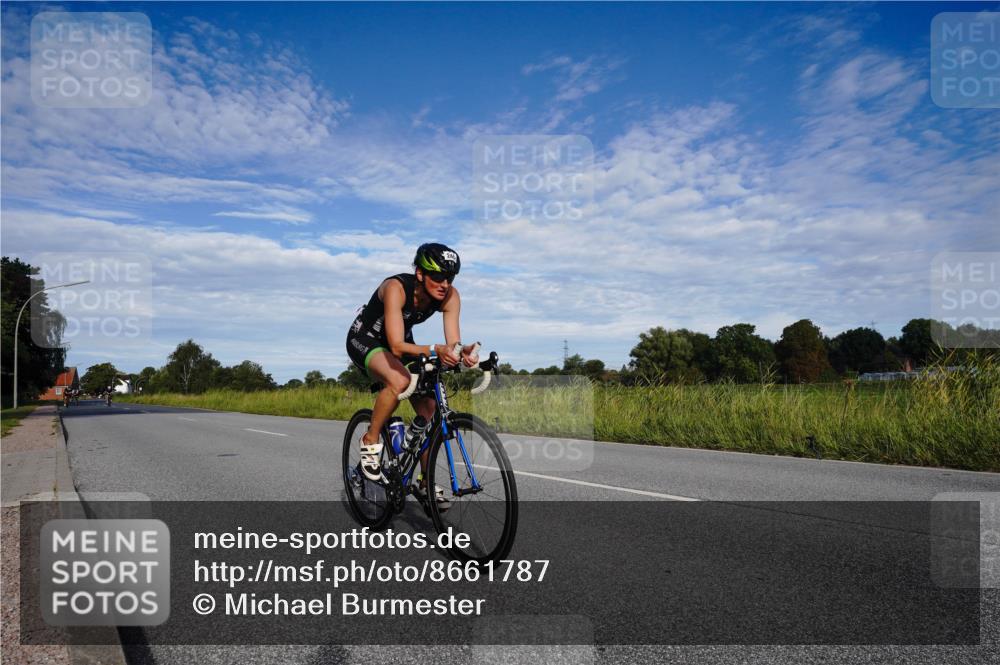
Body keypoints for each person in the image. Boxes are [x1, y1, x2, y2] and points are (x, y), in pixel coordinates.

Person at [345, 243, 479, 504]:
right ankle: (370, 441)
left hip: (403, 343)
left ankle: (425, 484)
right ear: (420, 273)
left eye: (449, 278)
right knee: (400, 380)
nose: (444, 284)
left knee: (429, 409)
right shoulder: (396, 288)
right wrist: (434, 349)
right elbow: (394, 346)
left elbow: (452, 344)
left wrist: (462, 353)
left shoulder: (450, 296)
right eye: (438, 276)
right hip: (366, 339)